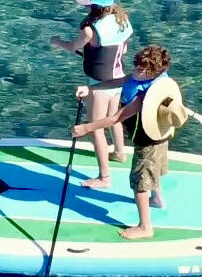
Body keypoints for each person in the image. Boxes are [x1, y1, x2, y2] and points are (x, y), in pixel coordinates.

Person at [71, 44, 187, 239]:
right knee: (153, 171)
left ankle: (145, 227)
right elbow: (121, 80)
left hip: (148, 143)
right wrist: (91, 88)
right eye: (136, 66)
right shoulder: (144, 77)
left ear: (154, 73)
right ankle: (157, 199)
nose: (136, 71)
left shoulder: (144, 96)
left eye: (141, 69)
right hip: (159, 137)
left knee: (140, 183)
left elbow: (116, 118)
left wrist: (86, 128)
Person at [50, 0, 133, 188]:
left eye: (88, 4)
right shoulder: (122, 19)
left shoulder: (90, 30)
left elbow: (73, 46)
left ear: (95, 6)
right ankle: (120, 152)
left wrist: (57, 42)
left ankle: (104, 177)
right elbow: (123, 49)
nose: (85, 7)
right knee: (114, 118)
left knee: (96, 128)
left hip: (99, 84)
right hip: (118, 78)